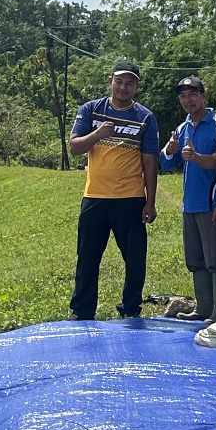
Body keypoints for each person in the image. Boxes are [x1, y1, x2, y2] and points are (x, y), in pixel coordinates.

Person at [68, 59, 159, 321]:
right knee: (87, 258)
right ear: (110, 81)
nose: (123, 87)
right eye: (119, 81)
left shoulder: (145, 117)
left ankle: (130, 309)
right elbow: (74, 146)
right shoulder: (90, 110)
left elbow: (150, 161)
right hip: (95, 197)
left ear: (136, 87)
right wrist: (97, 134)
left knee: (135, 260)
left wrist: (150, 201)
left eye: (129, 83)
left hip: (130, 199)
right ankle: (82, 311)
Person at [159, 75, 216, 321]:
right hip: (189, 204)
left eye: (193, 94)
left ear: (203, 96)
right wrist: (170, 151)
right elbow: (168, 163)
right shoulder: (183, 128)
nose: (188, 100)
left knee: (214, 258)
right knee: (195, 258)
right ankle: (203, 308)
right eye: (183, 96)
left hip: (212, 203)